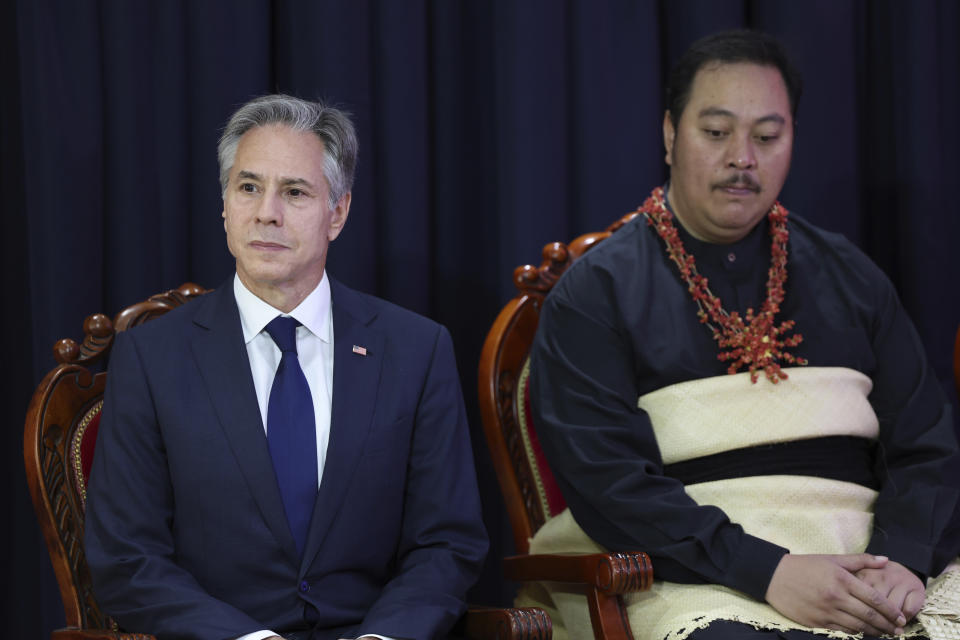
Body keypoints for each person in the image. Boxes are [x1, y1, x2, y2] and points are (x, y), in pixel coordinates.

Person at [525, 30, 960, 640]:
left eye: (766, 136)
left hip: (872, 563)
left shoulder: (852, 277)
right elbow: (611, 485)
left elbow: (925, 446)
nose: (742, 158)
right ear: (671, 135)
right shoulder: (596, 293)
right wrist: (769, 570)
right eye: (717, 131)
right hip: (697, 577)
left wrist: (906, 560)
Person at [84, 94, 488, 640]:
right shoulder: (151, 359)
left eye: (294, 192)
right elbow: (128, 560)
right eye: (248, 188)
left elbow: (447, 542)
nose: (266, 212)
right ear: (225, 205)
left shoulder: (416, 349)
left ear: (337, 213)